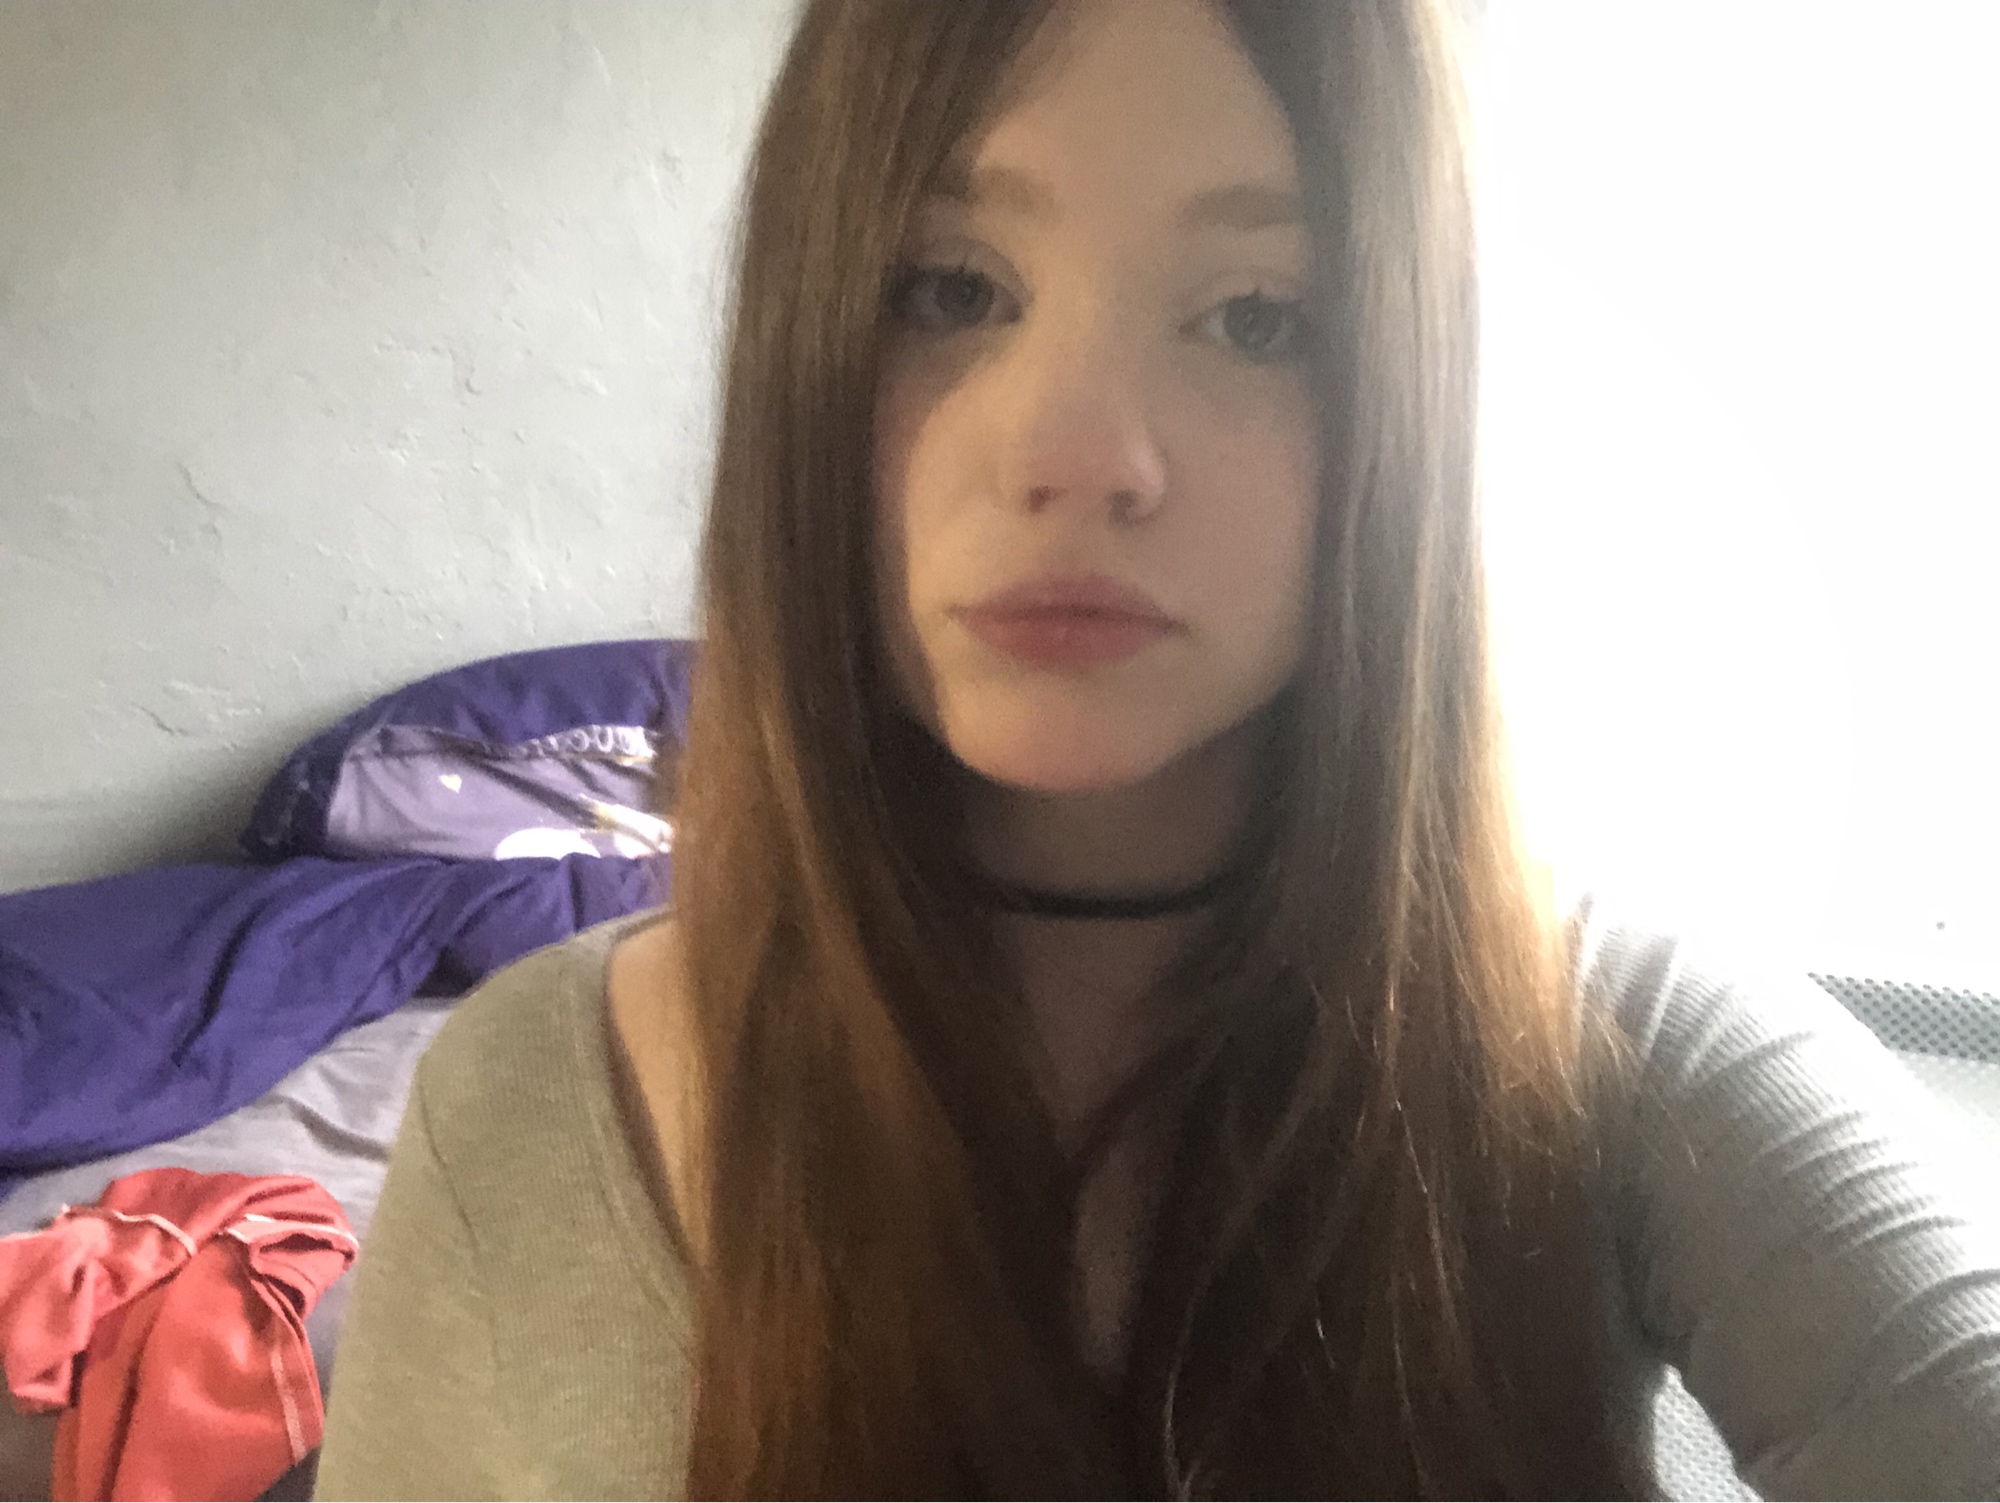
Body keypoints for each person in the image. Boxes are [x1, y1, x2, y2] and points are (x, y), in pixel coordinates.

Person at [315, 0, 2000, 1496]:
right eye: (952, 289)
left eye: (1258, 317)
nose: (1080, 452)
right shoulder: (526, 1101)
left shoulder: (1629, 1050)